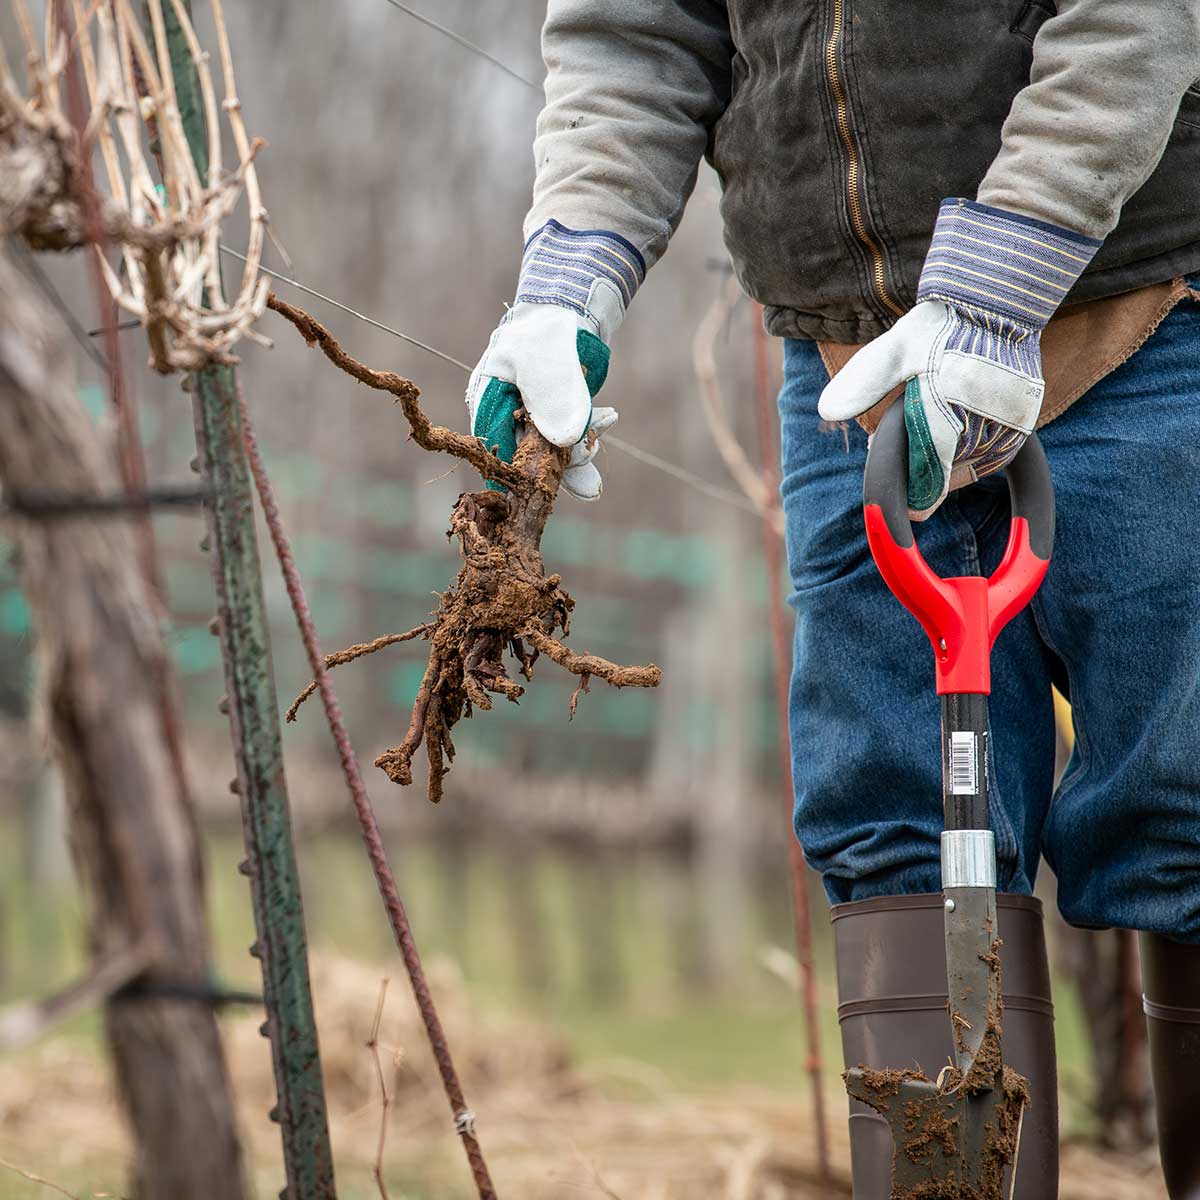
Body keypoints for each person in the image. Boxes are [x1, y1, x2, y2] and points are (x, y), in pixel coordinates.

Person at [464, 3, 1200, 1196]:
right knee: (897, 829)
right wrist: (568, 281)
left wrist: (998, 282)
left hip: (1147, 316)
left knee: (1190, 806)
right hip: (854, 372)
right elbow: (633, 33)